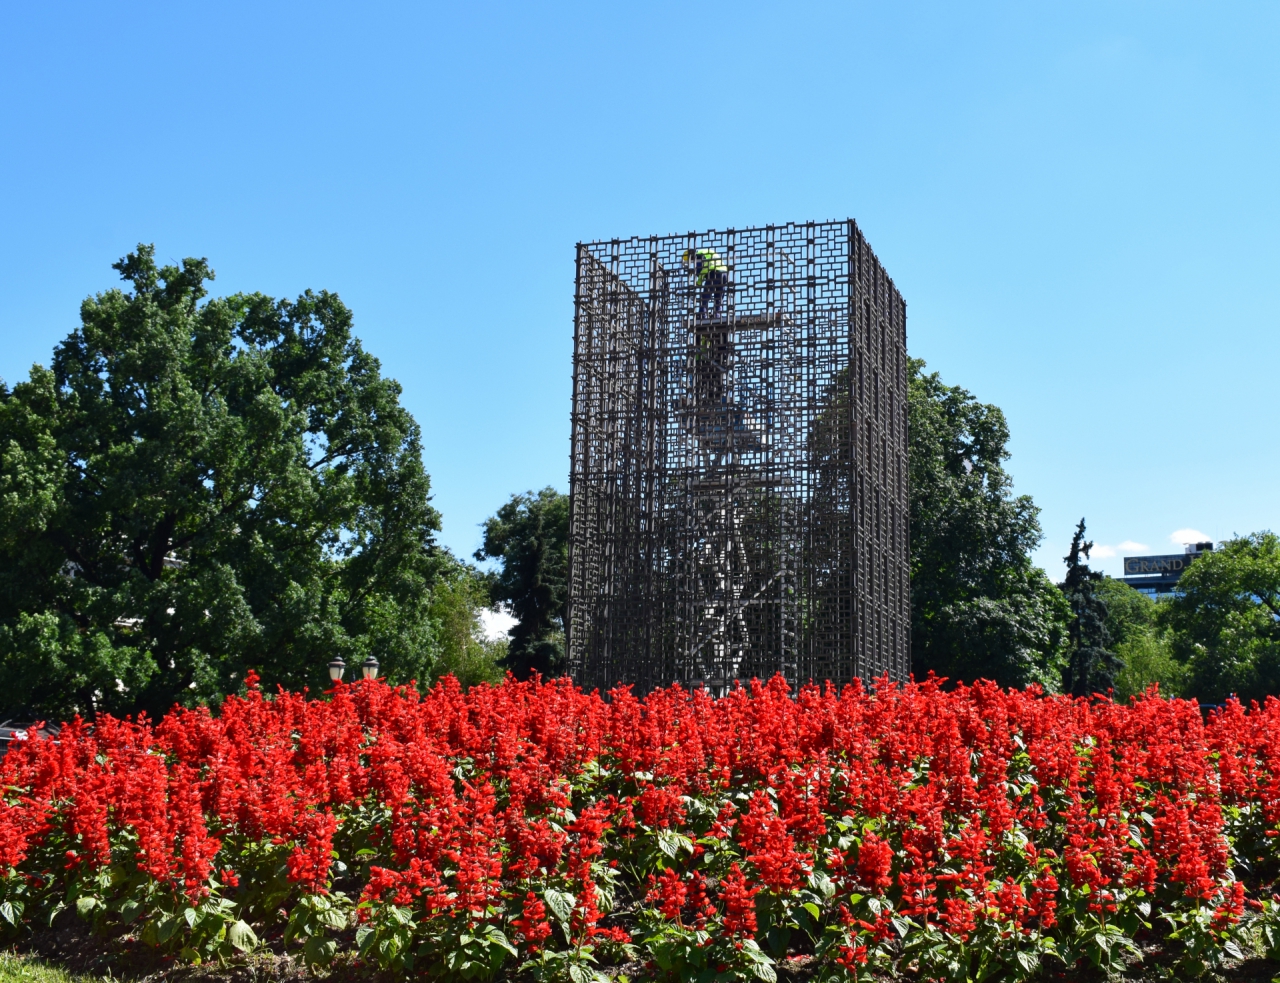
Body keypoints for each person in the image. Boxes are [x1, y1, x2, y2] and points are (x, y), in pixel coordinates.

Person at [682, 248, 728, 319]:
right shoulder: (707, 252)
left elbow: (703, 270)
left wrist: (699, 282)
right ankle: (718, 316)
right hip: (724, 273)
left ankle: (702, 315)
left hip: (714, 272)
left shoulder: (699, 256)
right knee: (718, 297)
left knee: (705, 297)